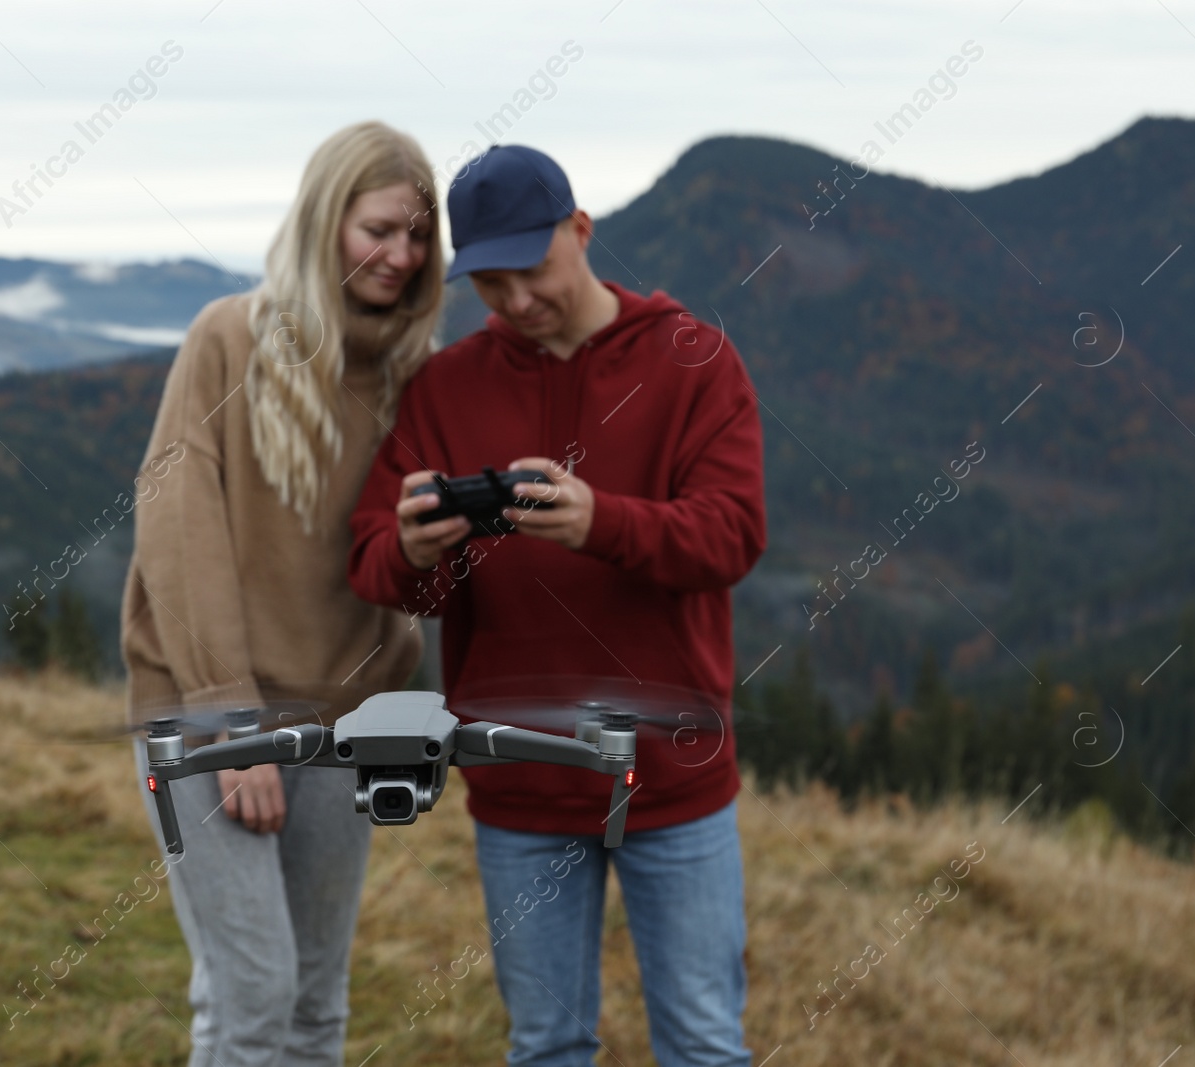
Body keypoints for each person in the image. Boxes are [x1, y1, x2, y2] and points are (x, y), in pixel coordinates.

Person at [347, 143, 766, 1067]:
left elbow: (732, 536)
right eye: (491, 283)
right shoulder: (446, 387)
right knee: (545, 1046)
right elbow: (373, 557)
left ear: (581, 231)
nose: (518, 302)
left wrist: (599, 522)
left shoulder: (695, 362)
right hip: (520, 784)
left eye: (533, 270)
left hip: (671, 776)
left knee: (702, 1044)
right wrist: (416, 552)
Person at [119, 120, 444, 1067]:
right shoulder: (229, 338)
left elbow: (401, 565)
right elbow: (179, 528)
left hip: (349, 720)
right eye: (378, 228)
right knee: (257, 994)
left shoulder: (412, 372)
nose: (400, 254)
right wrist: (231, 722)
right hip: (210, 712)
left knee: (311, 1005)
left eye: (419, 236)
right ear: (323, 219)